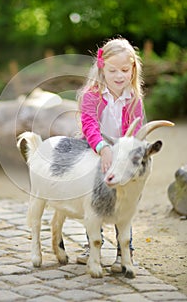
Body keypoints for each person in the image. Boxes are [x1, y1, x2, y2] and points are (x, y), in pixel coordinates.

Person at [76, 37, 144, 272]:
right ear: (102, 68)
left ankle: (125, 250)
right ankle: (92, 242)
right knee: (93, 197)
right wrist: (103, 148)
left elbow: (135, 130)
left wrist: (123, 156)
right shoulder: (91, 95)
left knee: (124, 198)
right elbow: (89, 125)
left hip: (122, 154)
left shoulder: (134, 99)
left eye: (125, 70)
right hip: (95, 149)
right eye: (113, 70)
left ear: (133, 69)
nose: (119, 76)